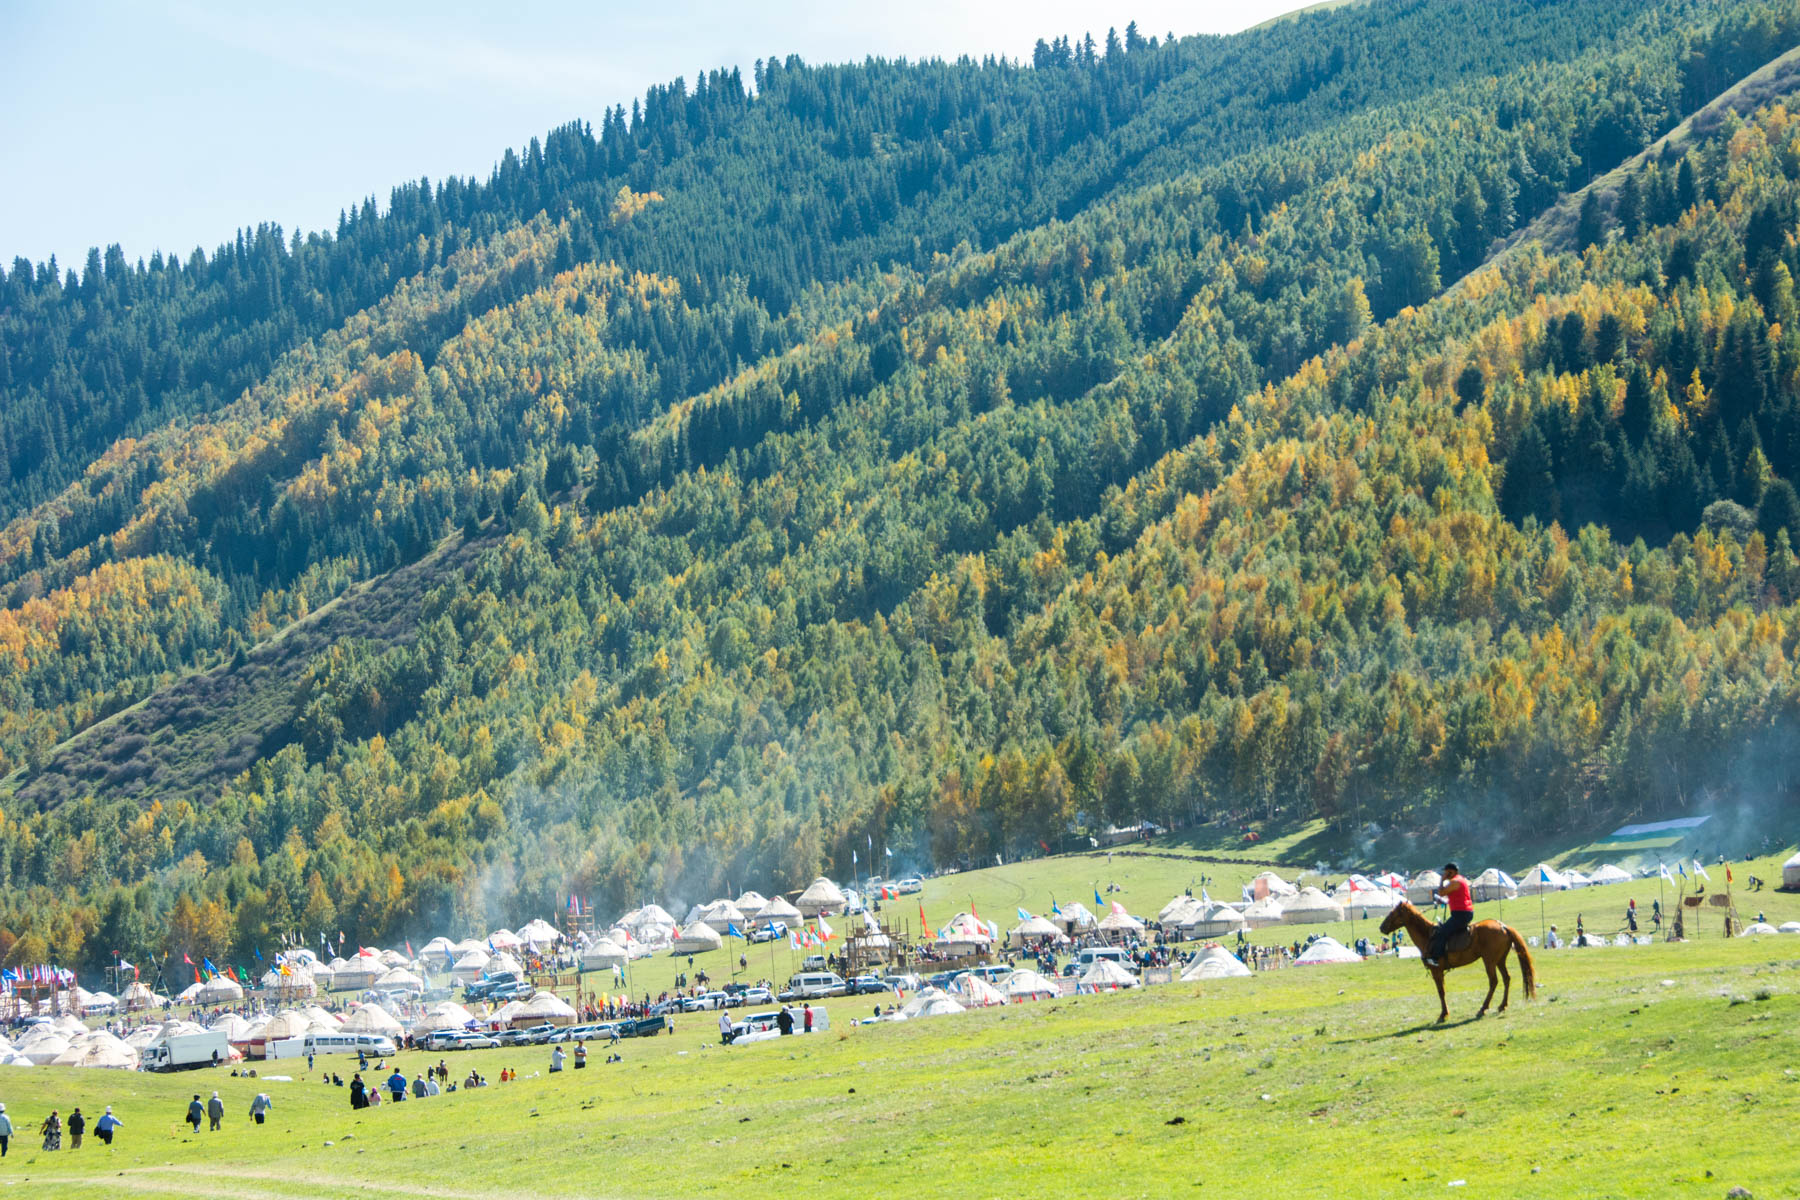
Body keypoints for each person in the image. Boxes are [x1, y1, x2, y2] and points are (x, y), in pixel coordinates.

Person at [1425, 862, 1474, 968]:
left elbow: (1441, 892)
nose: (1445, 873)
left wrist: (1442, 880)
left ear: (1451, 871)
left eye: (1446, 872)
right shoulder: (1461, 879)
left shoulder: (1454, 881)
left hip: (1461, 914)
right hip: (1463, 912)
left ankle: (1436, 958)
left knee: (1442, 932)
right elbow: (1455, 896)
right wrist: (1443, 900)